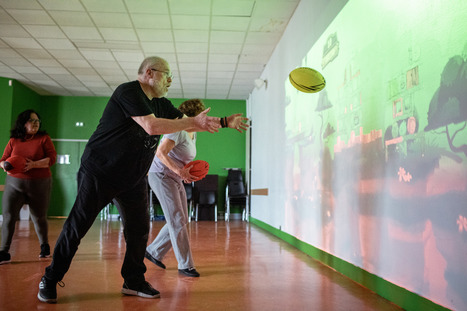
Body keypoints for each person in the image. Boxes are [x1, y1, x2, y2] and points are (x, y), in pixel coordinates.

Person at [37, 56, 249, 303]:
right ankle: (50, 278)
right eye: (167, 74)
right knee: (77, 226)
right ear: (150, 72)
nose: (170, 80)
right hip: (100, 173)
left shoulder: (161, 103)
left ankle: (133, 280)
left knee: (138, 231)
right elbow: (151, 126)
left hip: (133, 178)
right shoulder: (128, 92)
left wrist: (225, 122)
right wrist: (194, 121)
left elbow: (186, 125)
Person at [145, 99, 213, 278]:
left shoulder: (193, 133)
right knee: (176, 218)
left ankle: (153, 251)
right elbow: (160, 153)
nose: (203, 120)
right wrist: (180, 171)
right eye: (201, 116)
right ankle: (186, 265)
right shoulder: (178, 130)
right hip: (160, 175)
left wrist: (188, 172)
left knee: (182, 219)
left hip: (175, 176)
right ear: (193, 117)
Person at [0, 109, 57, 264]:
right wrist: (5, 165)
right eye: (32, 120)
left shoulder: (43, 138)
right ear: (23, 123)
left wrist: (34, 164)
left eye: (37, 121)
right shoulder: (14, 140)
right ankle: (4, 251)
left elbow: (52, 158)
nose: (35, 123)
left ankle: (44, 246)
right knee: (9, 216)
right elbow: (3, 159)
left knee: (38, 217)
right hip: (14, 184)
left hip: (39, 184)